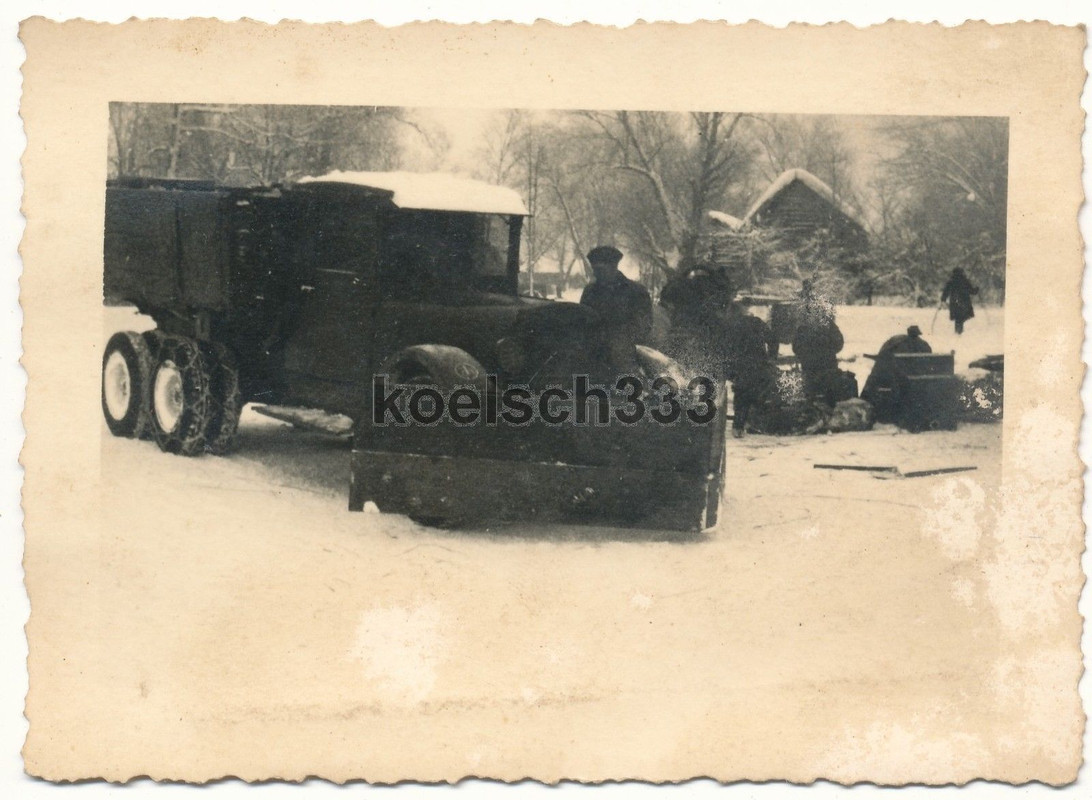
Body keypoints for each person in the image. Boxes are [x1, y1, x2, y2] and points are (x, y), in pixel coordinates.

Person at [579, 245, 653, 373]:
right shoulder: (590, 291)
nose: (595, 273)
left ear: (613, 267)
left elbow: (643, 325)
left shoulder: (635, 291)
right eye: (594, 269)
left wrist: (617, 340)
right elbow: (583, 318)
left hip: (626, 353)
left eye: (600, 269)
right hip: (594, 351)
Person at [722, 302, 779, 438]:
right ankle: (754, 423)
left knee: (741, 395)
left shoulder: (728, 326)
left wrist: (727, 369)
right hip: (758, 364)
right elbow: (773, 339)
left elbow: (724, 349)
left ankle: (739, 427)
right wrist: (772, 358)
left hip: (740, 366)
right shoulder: (756, 322)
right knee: (757, 392)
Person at [860, 325, 932, 422]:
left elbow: (884, 357)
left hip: (895, 377)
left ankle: (866, 401)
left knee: (876, 376)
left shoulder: (896, 342)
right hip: (915, 379)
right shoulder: (923, 345)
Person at [791, 280, 845, 404]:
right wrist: (828, 351)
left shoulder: (804, 328)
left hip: (811, 369)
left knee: (811, 399)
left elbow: (796, 347)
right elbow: (839, 343)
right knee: (827, 399)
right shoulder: (828, 326)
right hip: (826, 368)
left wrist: (806, 354)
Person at [941, 267, 979, 335]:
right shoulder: (964, 281)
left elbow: (946, 292)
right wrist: (977, 289)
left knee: (958, 318)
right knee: (962, 317)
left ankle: (958, 332)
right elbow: (972, 291)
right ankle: (959, 333)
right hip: (964, 303)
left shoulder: (951, 281)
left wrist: (943, 299)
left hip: (955, 302)